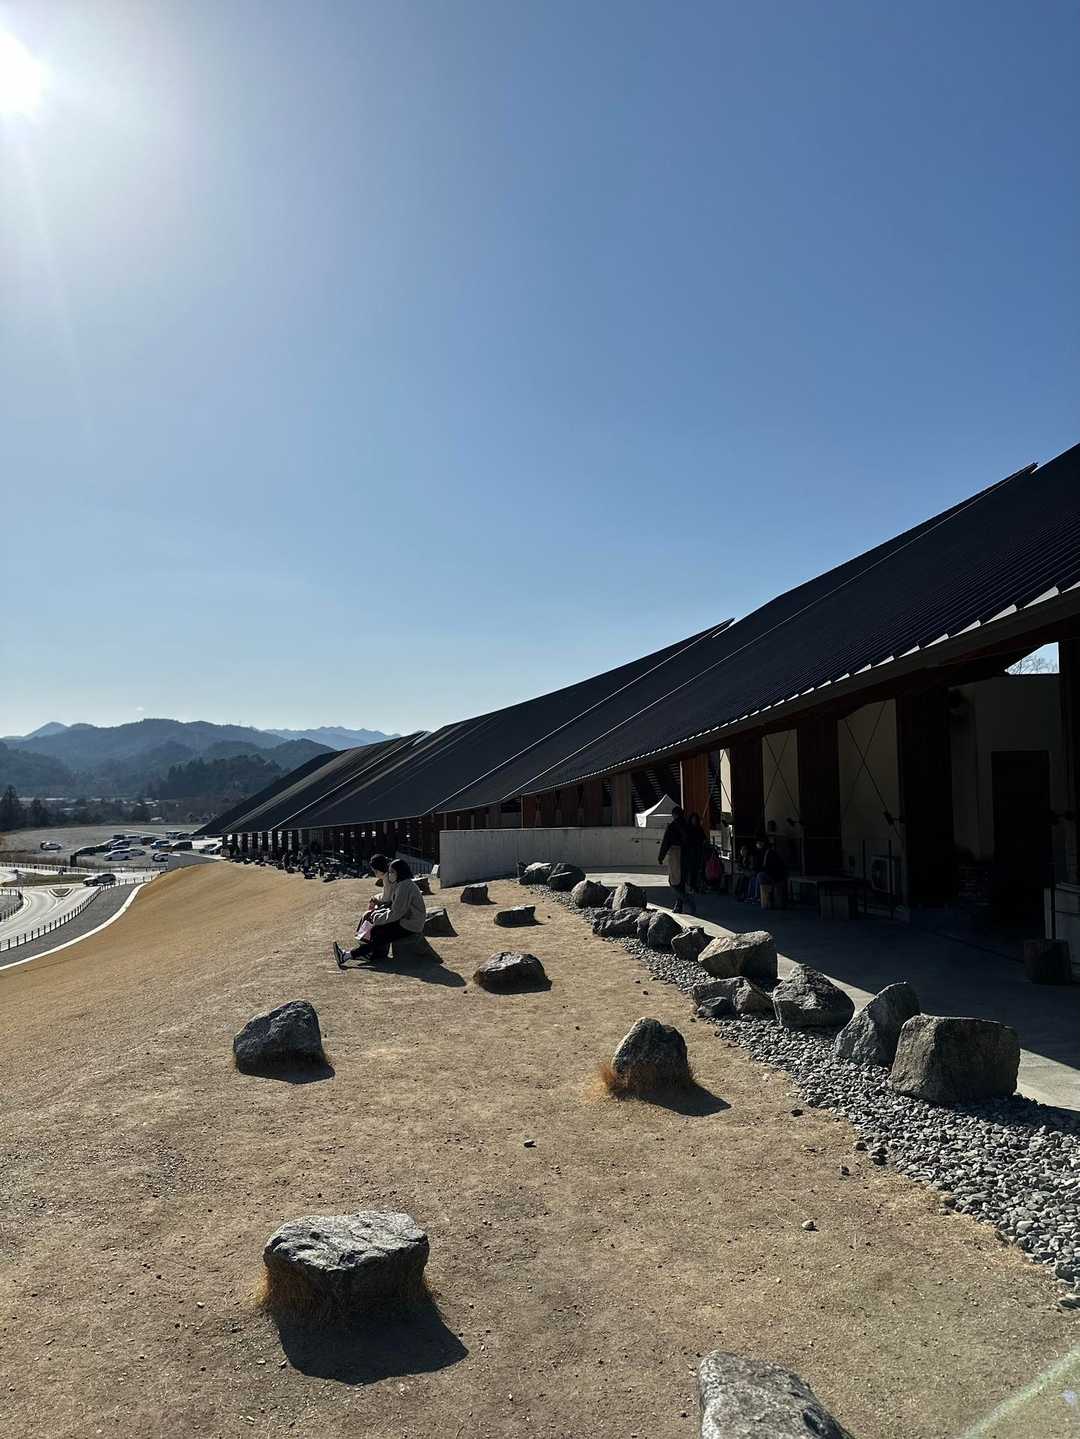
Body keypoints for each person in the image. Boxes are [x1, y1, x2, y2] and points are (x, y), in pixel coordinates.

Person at [333, 858, 426, 965]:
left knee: (382, 935)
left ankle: (347, 955)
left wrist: (378, 918)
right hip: (406, 920)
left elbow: (396, 913)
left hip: (411, 924)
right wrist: (379, 915)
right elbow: (394, 907)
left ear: (399, 872)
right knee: (378, 931)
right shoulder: (402, 884)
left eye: (392, 872)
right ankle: (365, 954)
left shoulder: (404, 886)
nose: (390, 874)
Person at [658, 804, 693, 914]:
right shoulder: (688, 825)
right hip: (687, 855)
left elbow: (665, 843)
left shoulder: (672, 826)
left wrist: (661, 857)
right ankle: (679, 905)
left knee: (673, 881)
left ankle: (685, 900)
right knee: (681, 881)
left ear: (674, 815)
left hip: (676, 854)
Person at [684, 812, 708, 893]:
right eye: (693, 819)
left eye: (695, 819)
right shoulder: (688, 829)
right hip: (690, 852)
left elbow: (704, 838)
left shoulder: (699, 829)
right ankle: (691, 885)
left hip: (698, 852)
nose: (694, 821)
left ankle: (695, 886)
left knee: (697, 870)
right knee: (691, 870)